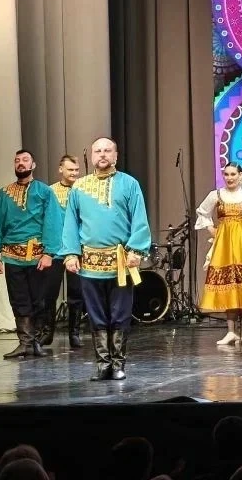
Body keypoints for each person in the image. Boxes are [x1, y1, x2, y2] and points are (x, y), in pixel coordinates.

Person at [60, 137, 151, 380]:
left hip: (120, 262)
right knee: (96, 314)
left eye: (107, 150)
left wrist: (136, 250)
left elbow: (139, 219)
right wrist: (70, 253)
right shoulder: (79, 187)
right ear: (91, 156)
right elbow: (71, 222)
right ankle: (103, 364)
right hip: (90, 263)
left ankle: (118, 364)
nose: (102, 154)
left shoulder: (129, 184)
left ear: (115, 155)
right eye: (98, 151)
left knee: (120, 313)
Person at [0, 149, 64, 360]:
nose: (20, 163)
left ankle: (36, 342)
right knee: (18, 299)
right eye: (17, 160)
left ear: (33, 165)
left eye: (25, 160)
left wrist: (49, 253)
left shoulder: (44, 191)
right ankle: (25, 343)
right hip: (12, 256)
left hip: (38, 256)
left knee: (39, 300)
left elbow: (53, 222)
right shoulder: (3, 194)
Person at [195, 162, 242, 345]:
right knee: (229, 285)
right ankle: (231, 332)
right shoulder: (216, 195)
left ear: (240, 175)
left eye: (233, 174)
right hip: (225, 243)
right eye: (227, 174)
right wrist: (211, 229)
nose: (229, 178)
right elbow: (202, 212)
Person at [45, 154, 85, 348]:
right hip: (56, 250)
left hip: (76, 249)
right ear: (60, 169)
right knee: (49, 293)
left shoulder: (83, 190)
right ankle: (47, 333)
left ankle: (74, 334)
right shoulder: (50, 191)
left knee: (76, 293)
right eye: (70, 170)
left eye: (76, 170)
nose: (74, 173)